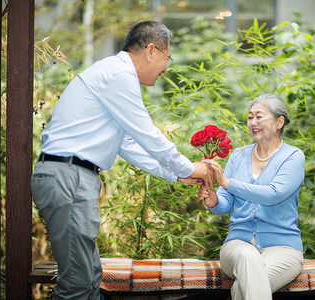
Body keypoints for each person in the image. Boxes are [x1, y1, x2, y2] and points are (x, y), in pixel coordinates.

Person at [31, 21, 213, 300]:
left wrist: (175, 174)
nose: (168, 67)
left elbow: (128, 143)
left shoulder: (113, 73)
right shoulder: (118, 74)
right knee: (78, 281)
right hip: (68, 176)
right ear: (152, 50)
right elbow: (146, 133)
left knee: (89, 277)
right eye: (169, 57)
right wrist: (190, 167)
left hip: (71, 176)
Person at [198, 94, 305, 300]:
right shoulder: (238, 156)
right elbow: (225, 203)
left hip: (283, 249)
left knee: (244, 287)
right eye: (249, 117)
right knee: (248, 257)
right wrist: (214, 201)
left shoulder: (293, 157)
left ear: (279, 122)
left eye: (259, 117)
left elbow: (274, 194)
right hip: (237, 247)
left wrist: (227, 182)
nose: (253, 122)